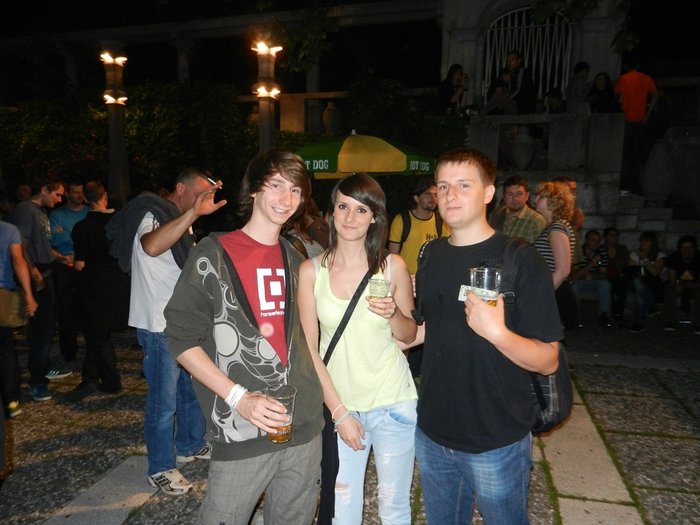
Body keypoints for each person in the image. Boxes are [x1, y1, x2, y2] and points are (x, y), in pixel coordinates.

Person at [163, 150, 325, 525]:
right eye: (276, 185)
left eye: (295, 190)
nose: (286, 198)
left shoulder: (297, 258)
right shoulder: (213, 254)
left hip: (303, 427)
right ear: (253, 189)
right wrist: (239, 397)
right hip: (242, 431)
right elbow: (180, 339)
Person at [405, 148, 561, 525]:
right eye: (443, 186)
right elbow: (426, 330)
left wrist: (498, 333)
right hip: (432, 431)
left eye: (463, 185)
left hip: (496, 436)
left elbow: (548, 359)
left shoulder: (520, 257)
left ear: (488, 193)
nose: (450, 195)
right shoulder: (431, 255)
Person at [298, 173, 417, 525]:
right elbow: (309, 350)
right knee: (343, 509)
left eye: (361, 210)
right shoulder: (310, 272)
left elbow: (408, 335)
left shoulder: (392, 266)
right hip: (343, 405)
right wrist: (340, 413)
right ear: (331, 213)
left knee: (394, 506)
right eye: (343, 207)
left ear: (375, 217)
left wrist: (394, 313)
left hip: (393, 401)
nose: (350, 218)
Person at [106, 167, 225, 495]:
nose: (204, 200)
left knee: (190, 391)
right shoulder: (152, 213)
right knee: (163, 402)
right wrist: (193, 213)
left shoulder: (178, 219)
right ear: (180, 189)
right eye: (199, 193)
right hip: (158, 327)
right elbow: (151, 246)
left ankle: (190, 444)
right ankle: (159, 467)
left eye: (208, 195)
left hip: (181, 324)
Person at [63, 181, 129, 402]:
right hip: (117, 283)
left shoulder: (82, 227)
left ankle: (111, 381)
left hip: (94, 286)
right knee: (97, 334)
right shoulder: (120, 223)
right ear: (105, 196)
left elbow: (80, 264)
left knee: (98, 335)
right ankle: (90, 377)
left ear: (85, 199)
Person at [8, 174, 70, 402]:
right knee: (41, 330)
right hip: (37, 276)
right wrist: (35, 275)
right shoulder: (25, 211)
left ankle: (43, 368)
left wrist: (59, 257)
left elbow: (41, 244)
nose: (59, 199)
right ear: (44, 189)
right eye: (57, 194)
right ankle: (37, 381)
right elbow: (21, 247)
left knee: (45, 327)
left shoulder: (40, 211)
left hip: (46, 272)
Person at [1, 219, 38, 418]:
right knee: (6, 349)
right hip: (2, 295)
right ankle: (11, 400)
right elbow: (18, 261)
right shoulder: (9, 230)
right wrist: (29, 294)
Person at [49, 180, 89, 363]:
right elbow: (56, 239)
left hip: (85, 265)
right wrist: (71, 237)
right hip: (64, 266)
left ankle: (91, 349)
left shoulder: (88, 212)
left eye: (81, 192)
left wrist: (67, 234)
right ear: (67, 193)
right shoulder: (57, 214)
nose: (79, 196)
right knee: (66, 309)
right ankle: (68, 350)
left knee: (87, 307)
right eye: (75, 192)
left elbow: (77, 237)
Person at [533, 181, 577, 330]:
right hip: (552, 291)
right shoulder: (553, 227)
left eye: (540, 196)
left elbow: (563, 270)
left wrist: (540, 296)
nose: (535, 200)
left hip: (553, 293)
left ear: (553, 201)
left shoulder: (557, 227)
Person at [614, 60, 659, 196]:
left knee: (625, 155)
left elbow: (620, 98)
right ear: (638, 65)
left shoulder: (624, 78)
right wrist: (647, 114)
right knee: (636, 154)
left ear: (626, 66)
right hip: (640, 120)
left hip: (626, 119)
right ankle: (635, 187)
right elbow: (655, 95)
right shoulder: (646, 78)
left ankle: (624, 186)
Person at [388, 177, 449, 275]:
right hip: (407, 278)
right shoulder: (402, 220)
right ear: (416, 198)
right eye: (428, 194)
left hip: (431, 277)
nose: (433, 199)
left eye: (435, 195)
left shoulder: (442, 221)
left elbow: (446, 253)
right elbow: (393, 255)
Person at [570, 229, 614, 327]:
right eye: (593, 240)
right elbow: (575, 275)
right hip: (579, 281)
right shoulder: (578, 252)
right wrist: (591, 265)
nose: (596, 243)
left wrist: (593, 276)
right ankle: (573, 315)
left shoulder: (602, 252)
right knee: (574, 285)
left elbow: (603, 273)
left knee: (605, 284)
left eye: (598, 241)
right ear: (586, 240)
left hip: (595, 281)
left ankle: (604, 315)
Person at [626, 231, 665, 333]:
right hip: (634, 283)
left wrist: (645, 259)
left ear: (652, 242)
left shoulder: (659, 255)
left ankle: (638, 323)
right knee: (637, 282)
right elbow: (630, 271)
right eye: (641, 241)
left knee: (639, 294)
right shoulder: (634, 254)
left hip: (652, 284)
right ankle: (651, 306)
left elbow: (655, 273)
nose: (642, 243)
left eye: (646, 241)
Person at [489, 175, 546, 244]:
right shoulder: (497, 216)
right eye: (510, 194)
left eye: (519, 194)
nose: (515, 198)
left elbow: (538, 249)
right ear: (504, 197)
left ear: (527, 196)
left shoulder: (536, 220)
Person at [662, 235, 700, 334]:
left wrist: (690, 286)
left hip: (695, 284)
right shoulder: (674, 257)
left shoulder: (699, 258)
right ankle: (668, 320)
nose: (686, 250)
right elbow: (672, 279)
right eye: (683, 248)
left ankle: (698, 323)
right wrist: (679, 284)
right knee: (670, 291)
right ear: (679, 249)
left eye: (690, 247)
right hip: (679, 282)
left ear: (695, 248)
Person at [602, 227, 629, 321]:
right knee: (607, 287)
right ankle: (616, 314)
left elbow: (625, 264)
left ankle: (618, 313)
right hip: (605, 276)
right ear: (606, 237)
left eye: (616, 236)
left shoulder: (622, 249)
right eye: (611, 235)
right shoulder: (601, 249)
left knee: (622, 289)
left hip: (618, 276)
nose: (614, 238)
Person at [506, 50, 537, 114]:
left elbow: (519, 89)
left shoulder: (521, 72)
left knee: (498, 97)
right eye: (508, 60)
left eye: (512, 60)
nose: (509, 63)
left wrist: (508, 97)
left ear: (519, 61)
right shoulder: (511, 73)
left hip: (524, 106)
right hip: (517, 104)